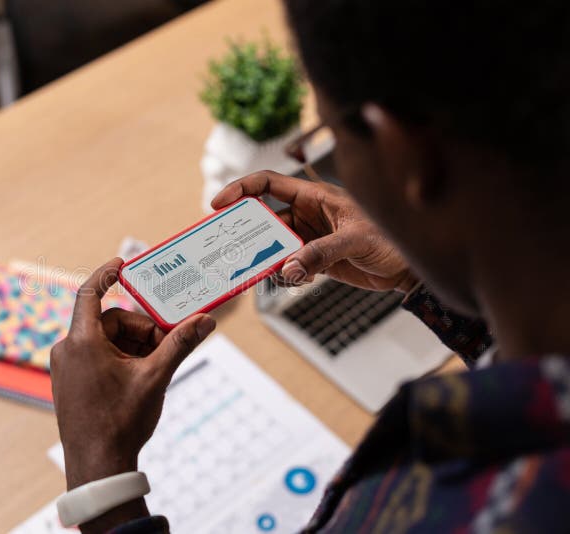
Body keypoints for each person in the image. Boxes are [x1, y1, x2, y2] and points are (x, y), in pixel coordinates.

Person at [48, 0, 570, 531]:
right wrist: (422, 265)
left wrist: (101, 483)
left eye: (327, 140)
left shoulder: (453, 501)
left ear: (406, 155)